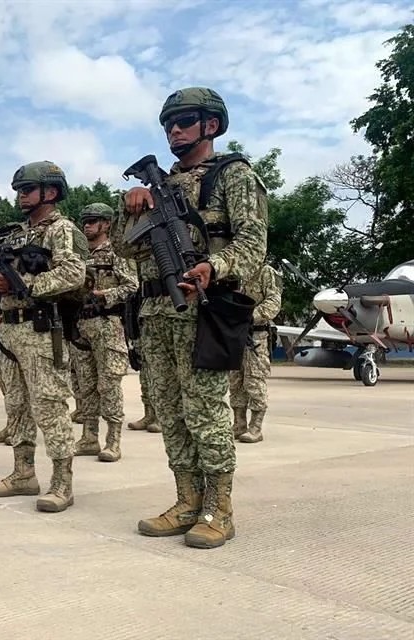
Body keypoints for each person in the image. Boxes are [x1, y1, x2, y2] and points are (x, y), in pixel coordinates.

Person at [112, 87, 268, 548]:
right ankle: (185, 501)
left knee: (205, 412)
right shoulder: (157, 187)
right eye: (168, 124)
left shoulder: (233, 176)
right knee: (171, 411)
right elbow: (126, 249)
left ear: (211, 125)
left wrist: (212, 267)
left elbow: (253, 245)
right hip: (157, 310)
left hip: (202, 307)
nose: (174, 130)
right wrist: (131, 208)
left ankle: (219, 509)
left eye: (184, 121)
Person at [0, 161, 86, 512]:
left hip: (41, 329)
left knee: (50, 406)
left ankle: (61, 483)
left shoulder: (61, 229)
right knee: (17, 406)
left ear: (49, 192)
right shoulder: (16, 234)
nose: (20, 196)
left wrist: (27, 285)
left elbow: (74, 274)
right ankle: (23, 472)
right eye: (19, 190)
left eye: (27, 189)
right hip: (9, 330)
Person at [70, 203, 137, 461]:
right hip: (81, 326)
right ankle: (89, 437)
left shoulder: (116, 253)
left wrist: (104, 295)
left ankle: (113, 440)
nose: (87, 225)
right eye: (85, 220)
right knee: (85, 386)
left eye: (93, 220)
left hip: (108, 326)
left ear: (107, 224)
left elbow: (132, 285)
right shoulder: (79, 256)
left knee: (108, 385)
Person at [230, 262, 282, 443]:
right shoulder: (233, 271)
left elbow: (274, 302)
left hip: (256, 334)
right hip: (234, 333)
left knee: (254, 379)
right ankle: (238, 424)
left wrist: (249, 314)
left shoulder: (265, 272)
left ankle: (256, 427)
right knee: (235, 380)